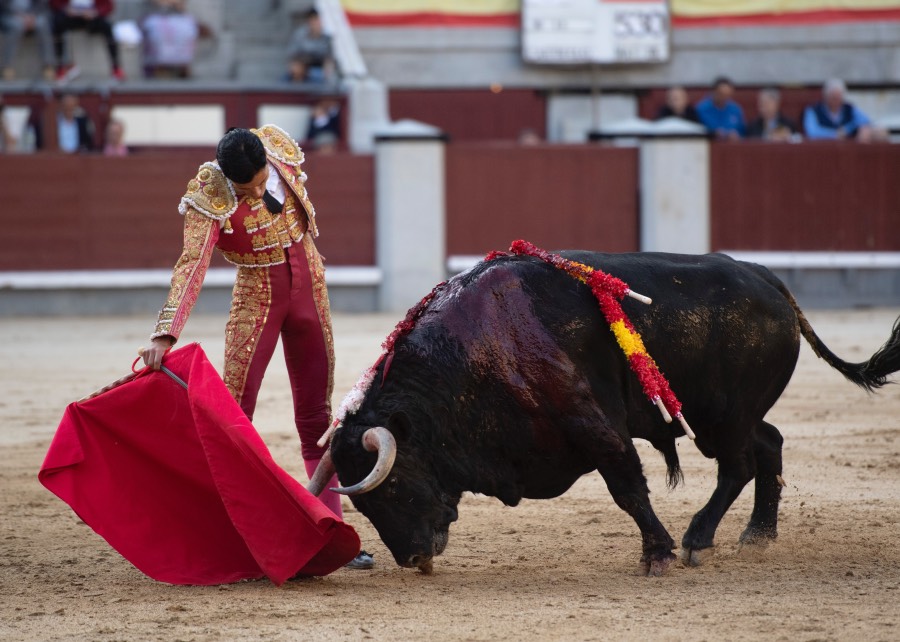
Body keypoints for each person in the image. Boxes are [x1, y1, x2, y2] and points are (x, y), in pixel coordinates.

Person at [140, 125, 374, 570]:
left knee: (317, 417)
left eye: (261, 181)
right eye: (245, 189)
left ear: (268, 161)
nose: (257, 192)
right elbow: (192, 264)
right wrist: (165, 333)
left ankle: (331, 534)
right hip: (256, 295)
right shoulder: (209, 192)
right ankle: (235, 534)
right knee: (234, 415)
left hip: (310, 286)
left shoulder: (279, 150)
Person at [50, 0, 124, 81]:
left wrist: (96, 12)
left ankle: (116, 67)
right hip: (71, 18)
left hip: (92, 19)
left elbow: (109, 6)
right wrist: (66, 9)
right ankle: (60, 66)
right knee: (57, 22)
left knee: (108, 26)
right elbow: (54, 3)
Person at [803, 78, 889, 143]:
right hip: (824, 150)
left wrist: (864, 129)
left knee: (879, 132)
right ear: (826, 97)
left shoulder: (849, 109)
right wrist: (835, 135)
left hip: (850, 151)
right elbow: (812, 132)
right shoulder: (813, 110)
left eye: (838, 98)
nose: (836, 101)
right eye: (833, 98)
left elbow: (866, 121)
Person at [140, 0, 198, 78]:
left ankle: (182, 68)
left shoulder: (187, 19)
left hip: (177, 18)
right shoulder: (151, 19)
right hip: (158, 17)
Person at [0, 0, 55, 80]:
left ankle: (48, 65)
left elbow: (41, 4)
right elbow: (3, 5)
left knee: (42, 24)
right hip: (10, 15)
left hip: (33, 15)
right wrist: (19, 16)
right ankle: (7, 67)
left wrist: (31, 16)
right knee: (16, 26)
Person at [29, 90, 95, 151]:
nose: (69, 110)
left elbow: (87, 143)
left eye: (71, 107)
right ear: (61, 106)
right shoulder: (52, 124)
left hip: (77, 157)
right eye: (66, 107)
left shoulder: (82, 123)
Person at [285, 8, 334, 84]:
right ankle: (297, 89)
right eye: (312, 20)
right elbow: (292, 54)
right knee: (296, 67)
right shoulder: (300, 35)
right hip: (302, 63)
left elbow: (328, 56)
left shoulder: (326, 37)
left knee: (328, 67)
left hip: (319, 65)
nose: (315, 23)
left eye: (317, 20)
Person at [695, 76, 746, 140]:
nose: (724, 98)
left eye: (727, 95)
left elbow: (743, 132)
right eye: (722, 94)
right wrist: (713, 133)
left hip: (731, 144)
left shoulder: (735, 109)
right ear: (713, 92)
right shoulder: (701, 109)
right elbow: (697, 131)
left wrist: (736, 135)